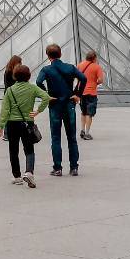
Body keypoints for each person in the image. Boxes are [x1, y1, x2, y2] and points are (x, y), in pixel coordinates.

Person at [36, 44, 87, 177]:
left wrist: (47, 95)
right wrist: (77, 94)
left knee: (56, 138)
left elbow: (38, 82)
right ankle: (74, 168)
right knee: (72, 138)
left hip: (55, 105)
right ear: (60, 54)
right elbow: (83, 78)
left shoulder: (46, 69)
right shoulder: (70, 67)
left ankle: (57, 168)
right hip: (69, 104)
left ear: (48, 56)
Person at [0, 64, 52, 186]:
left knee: (13, 150)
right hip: (27, 123)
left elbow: (5, 110)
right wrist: (38, 111)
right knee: (29, 149)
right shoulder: (32, 88)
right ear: (28, 76)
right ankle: (29, 172)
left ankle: (17, 177)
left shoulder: (10, 90)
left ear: (15, 76)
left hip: (12, 124)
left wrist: (0, 126)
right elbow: (46, 97)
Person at [77, 50, 105, 140]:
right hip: (91, 93)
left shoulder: (80, 65)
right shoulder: (97, 67)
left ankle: (82, 130)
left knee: (83, 112)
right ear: (94, 58)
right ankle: (87, 133)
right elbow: (100, 80)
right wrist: (95, 83)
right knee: (90, 114)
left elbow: (77, 77)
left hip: (82, 92)